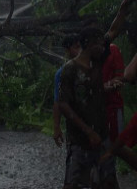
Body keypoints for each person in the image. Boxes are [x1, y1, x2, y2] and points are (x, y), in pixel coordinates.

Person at [59, 27, 119, 189]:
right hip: (79, 139)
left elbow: (113, 32)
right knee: (72, 183)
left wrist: (124, 9)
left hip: (101, 135)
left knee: (107, 181)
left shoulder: (97, 61)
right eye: (100, 44)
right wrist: (88, 131)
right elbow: (63, 104)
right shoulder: (70, 69)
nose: (104, 48)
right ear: (91, 44)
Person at [53, 34, 81, 188]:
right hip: (74, 128)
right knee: (73, 168)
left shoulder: (92, 68)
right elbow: (58, 102)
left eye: (81, 47)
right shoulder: (62, 73)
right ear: (68, 50)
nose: (80, 51)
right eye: (76, 47)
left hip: (95, 126)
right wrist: (56, 128)